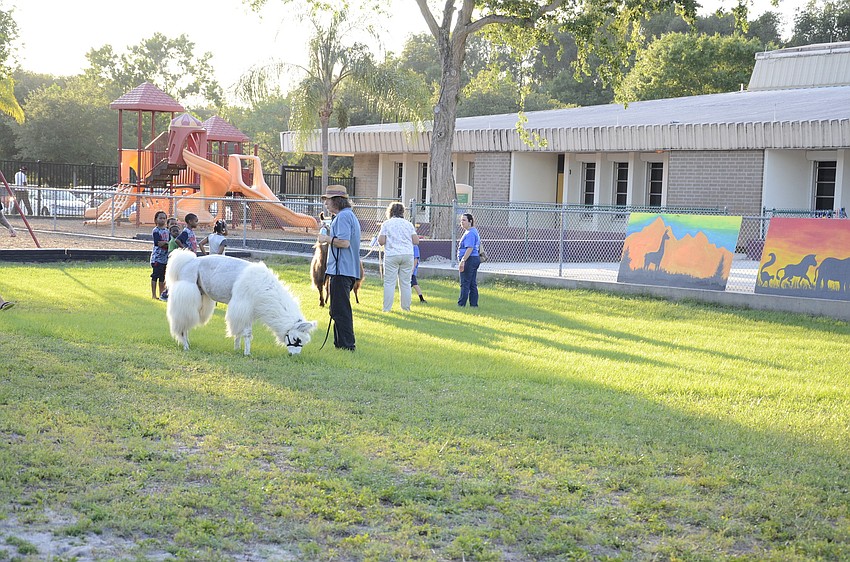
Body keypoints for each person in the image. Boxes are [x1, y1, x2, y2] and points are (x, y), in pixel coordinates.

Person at [316, 185, 361, 351]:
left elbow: (344, 242)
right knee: (338, 309)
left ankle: (347, 346)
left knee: (340, 311)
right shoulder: (348, 216)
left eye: (327, 200)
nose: (325, 204)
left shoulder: (342, 217)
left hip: (342, 271)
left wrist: (326, 238)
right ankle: (340, 344)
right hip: (346, 270)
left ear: (336, 201)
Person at [377, 202, 419, 312]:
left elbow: (381, 241)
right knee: (405, 283)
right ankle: (406, 308)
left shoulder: (386, 224)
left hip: (392, 254)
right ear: (402, 212)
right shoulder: (408, 224)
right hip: (407, 254)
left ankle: (387, 309)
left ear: (390, 212)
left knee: (389, 283)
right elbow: (416, 241)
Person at [457, 212, 481, 307]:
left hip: (469, 259)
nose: (462, 222)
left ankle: (461, 304)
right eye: (461, 220)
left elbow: (469, 248)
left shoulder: (470, 233)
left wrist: (463, 260)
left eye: (464, 220)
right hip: (474, 259)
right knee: (472, 283)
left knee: (465, 283)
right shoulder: (473, 231)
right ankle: (474, 305)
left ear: (470, 221)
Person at [150, 210, 170, 299]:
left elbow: (169, 242)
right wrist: (167, 244)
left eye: (164, 218)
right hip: (157, 258)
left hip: (165, 258)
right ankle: (154, 295)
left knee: (163, 277)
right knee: (155, 276)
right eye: (160, 218)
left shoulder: (167, 231)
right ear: (156, 220)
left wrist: (165, 243)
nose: (162, 220)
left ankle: (161, 294)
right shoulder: (156, 231)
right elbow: (158, 243)